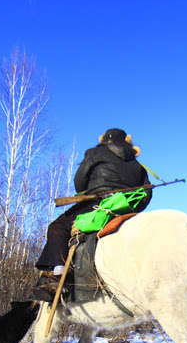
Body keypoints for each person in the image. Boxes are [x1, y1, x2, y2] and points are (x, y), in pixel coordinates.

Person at [32, 128, 152, 301]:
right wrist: (128, 207)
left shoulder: (95, 152)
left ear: (105, 140)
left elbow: (79, 183)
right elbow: (147, 194)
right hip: (125, 207)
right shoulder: (138, 165)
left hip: (97, 204)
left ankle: (58, 277)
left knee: (57, 227)